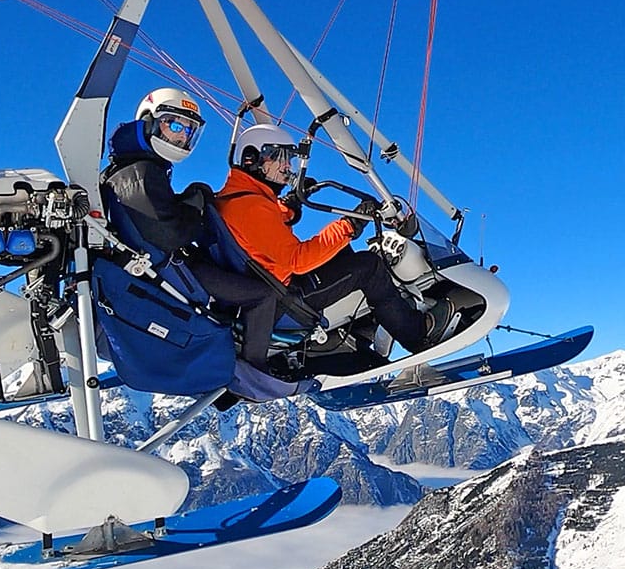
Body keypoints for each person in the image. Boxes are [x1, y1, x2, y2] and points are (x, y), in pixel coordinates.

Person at [213, 123, 439, 365]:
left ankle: (362, 331)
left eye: (288, 157)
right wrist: (350, 225)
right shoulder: (250, 207)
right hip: (284, 300)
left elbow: (262, 231)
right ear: (252, 159)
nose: (287, 166)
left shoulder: (238, 196)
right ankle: (418, 335)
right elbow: (297, 260)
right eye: (279, 157)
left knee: (342, 252)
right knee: (369, 266)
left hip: (269, 286)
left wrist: (290, 205)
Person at [103, 89, 281, 367]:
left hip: (167, 266)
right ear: (149, 121)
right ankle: (253, 373)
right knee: (262, 295)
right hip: (172, 269)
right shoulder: (142, 173)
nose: (181, 136)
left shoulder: (135, 168)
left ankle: (230, 348)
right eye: (175, 125)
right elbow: (170, 233)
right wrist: (196, 201)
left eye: (189, 130)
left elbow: (160, 218)